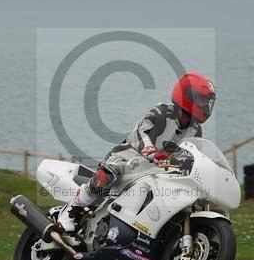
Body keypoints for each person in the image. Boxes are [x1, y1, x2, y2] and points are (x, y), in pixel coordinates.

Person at [57, 71, 216, 232]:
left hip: (159, 171)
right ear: (187, 96)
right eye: (202, 99)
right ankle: (72, 209)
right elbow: (141, 132)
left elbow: (192, 154)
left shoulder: (195, 130)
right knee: (105, 176)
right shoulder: (162, 112)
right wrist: (151, 151)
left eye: (207, 101)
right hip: (129, 157)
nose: (205, 105)